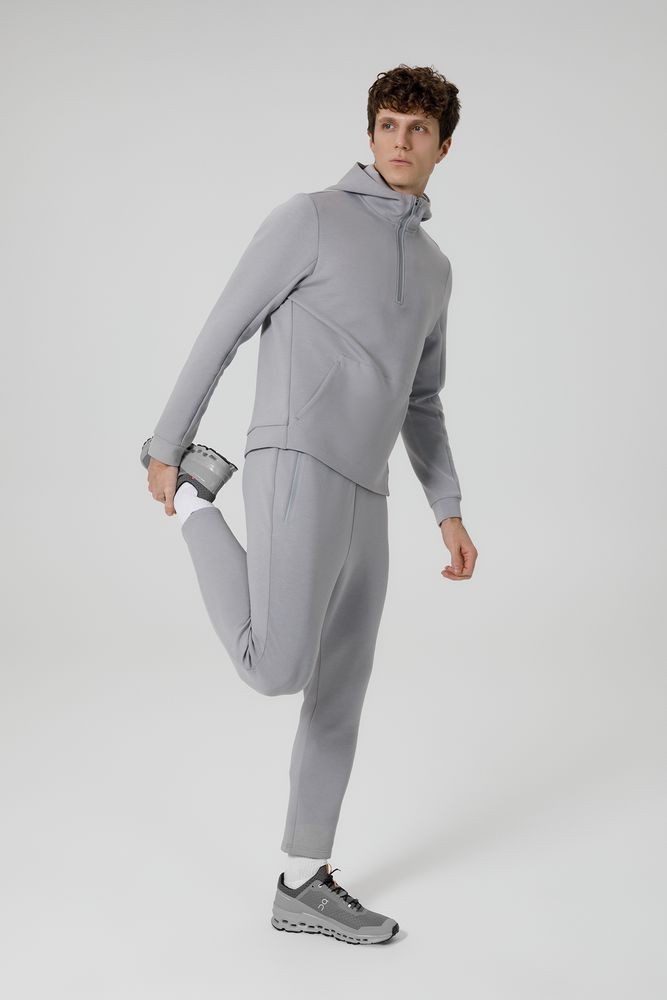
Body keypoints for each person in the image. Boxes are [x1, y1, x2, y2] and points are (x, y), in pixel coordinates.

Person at [141, 63, 478, 945]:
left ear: (443, 147)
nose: (400, 141)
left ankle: (302, 879)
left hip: (369, 486)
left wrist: (445, 506)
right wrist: (168, 445)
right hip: (294, 456)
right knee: (275, 669)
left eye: (417, 129)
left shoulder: (435, 269)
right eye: (387, 124)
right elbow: (225, 324)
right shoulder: (310, 218)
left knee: (339, 692)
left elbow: (422, 399)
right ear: (369, 134)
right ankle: (199, 507)